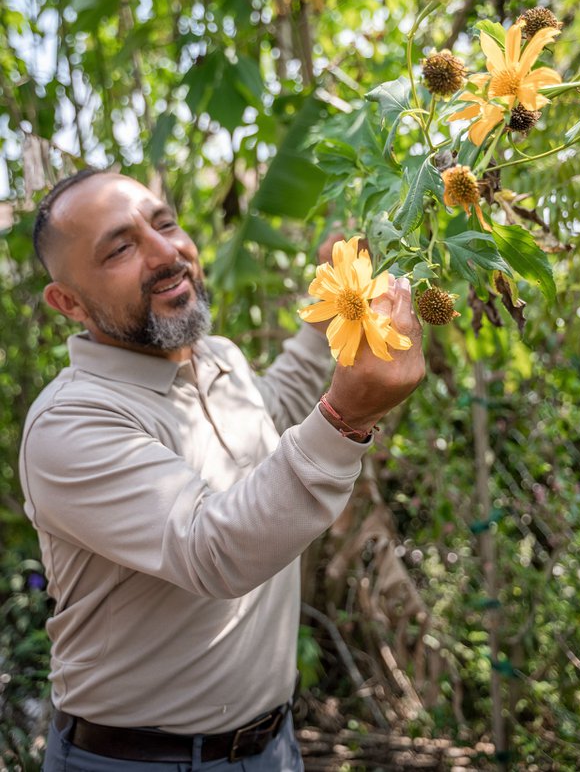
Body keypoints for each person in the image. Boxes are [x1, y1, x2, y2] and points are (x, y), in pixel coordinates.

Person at [19, 168, 425, 771]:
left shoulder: (218, 358)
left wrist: (340, 303)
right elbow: (213, 550)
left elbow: (275, 415)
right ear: (67, 301)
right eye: (121, 247)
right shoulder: (69, 425)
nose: (167, 253)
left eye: (165, 223)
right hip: (135, 762)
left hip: (273, 744)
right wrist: (345, 419)